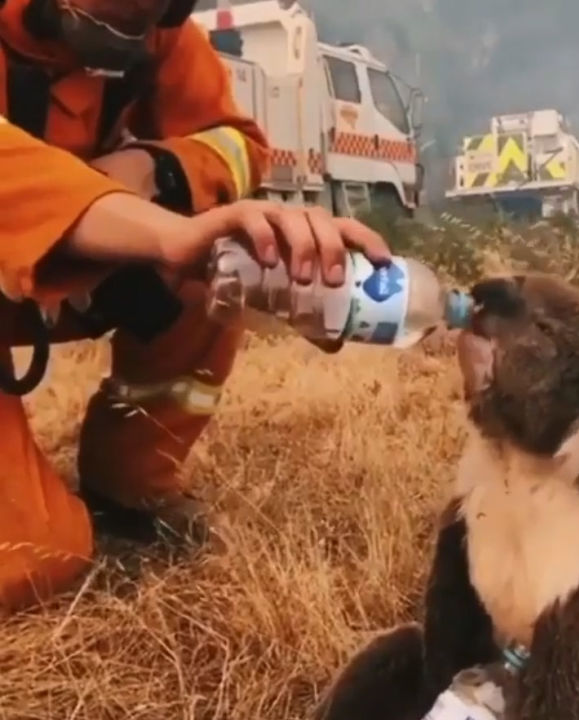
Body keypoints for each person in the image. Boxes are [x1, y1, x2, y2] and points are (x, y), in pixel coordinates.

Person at [0, 0, 391, 612]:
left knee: (213, 280)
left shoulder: (161, 33)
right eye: (110, 22)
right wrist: (162, 233)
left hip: (54, 266)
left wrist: (154, 169)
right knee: (34, 557)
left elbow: (237, 140)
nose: (133, 33)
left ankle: (130, 484)